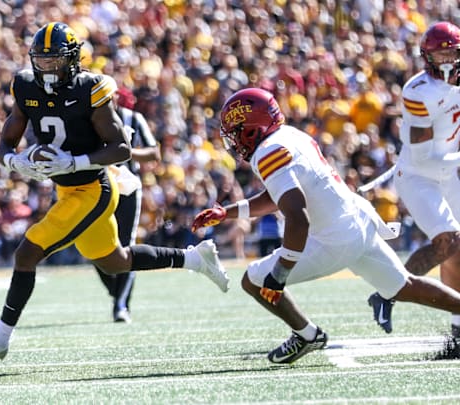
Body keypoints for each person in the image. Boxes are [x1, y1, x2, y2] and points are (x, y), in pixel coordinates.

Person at [0, 22, 229, 362]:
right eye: (41, 60)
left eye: (53, 60)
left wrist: (74, 162)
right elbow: (5, 142)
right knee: (116, 262)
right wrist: (15, 162)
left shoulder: (91, 89)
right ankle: (196, 258)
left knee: (26, 255)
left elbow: (122, 149)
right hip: (67, 191)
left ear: (71, 60)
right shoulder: (25, 85)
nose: (46, 67)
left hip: (93, 190)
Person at [192, 88, 460, 364]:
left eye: (236, 133)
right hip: (358, 220)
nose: (234, 142)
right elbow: (281, 194)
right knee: (404, 287)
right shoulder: (291, 135)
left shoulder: (267, 152)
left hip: (335, 238)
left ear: (251, 129)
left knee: (254, 280)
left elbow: (298, 219)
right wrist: (228, 212)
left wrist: (280, 274)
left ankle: (307, 334)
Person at [366, 22, 460, 336]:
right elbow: (423, 157)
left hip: (448, 175)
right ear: (426, 57)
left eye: (452, 52)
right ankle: (386, 292)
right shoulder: (418, 91)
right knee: (447, 242)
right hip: (420, 176)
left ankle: (458, 329)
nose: (448, 59)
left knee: (458, 248)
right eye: (440, 53)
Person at [93, 87, 161, 323]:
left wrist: (125, 152)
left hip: (126, 186)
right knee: (91, 244)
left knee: (125, 244)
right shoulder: (88, 117)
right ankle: (116, 290)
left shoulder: (133, 118)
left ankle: (121, 305)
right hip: (96, 186)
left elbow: (154, 153)